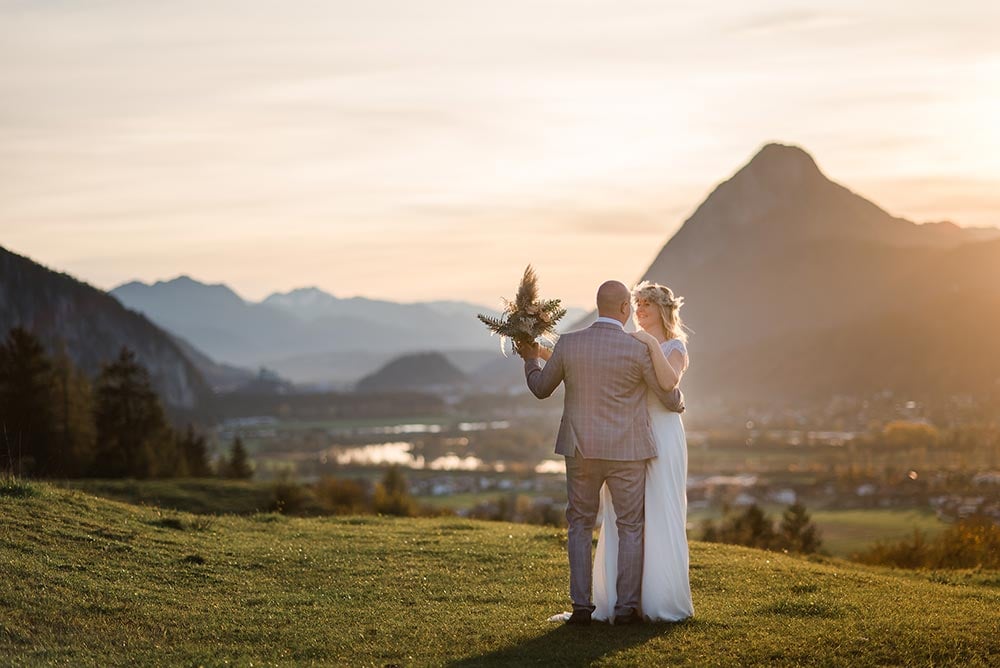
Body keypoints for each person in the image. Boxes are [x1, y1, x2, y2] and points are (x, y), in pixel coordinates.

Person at [515, 280, 684, 626]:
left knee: (579, 524)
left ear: (598, 305)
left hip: (581, 450)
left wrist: (531, 359)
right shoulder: (637, 348)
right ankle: (625, 610)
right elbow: (668, 395)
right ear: (624, 308)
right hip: (628, 452)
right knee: (630, 526)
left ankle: (581, 607)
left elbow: (541, 388)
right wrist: (678, 402)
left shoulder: (569, 344)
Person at [591, 280, 694, 622]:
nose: (640, 309)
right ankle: (622, 599)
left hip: (663, 435)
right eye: (637, 304)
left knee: (661, 508)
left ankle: (659, 600)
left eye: (647, 303)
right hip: (631, 436)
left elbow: (668, 382)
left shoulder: (675, 347)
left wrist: (649, 342)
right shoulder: (629, 344)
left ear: (663, 309)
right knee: (626, 515)